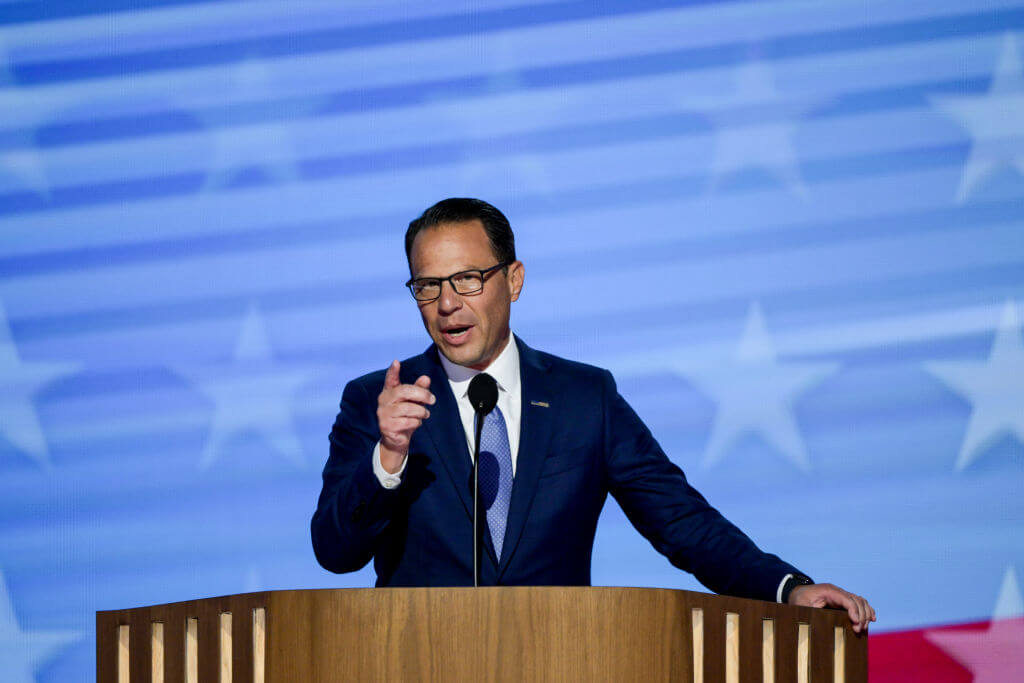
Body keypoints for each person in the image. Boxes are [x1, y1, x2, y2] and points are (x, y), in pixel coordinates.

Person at [311, 198, 876, 632]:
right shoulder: (377, 402)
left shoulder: (586, 399)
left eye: (467, 279)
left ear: (513, 280)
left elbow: (682, 523)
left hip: (562, 658)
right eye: (427, 286)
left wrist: (786, 588)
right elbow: (335, 553)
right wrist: (388, 458)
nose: (447, 303)